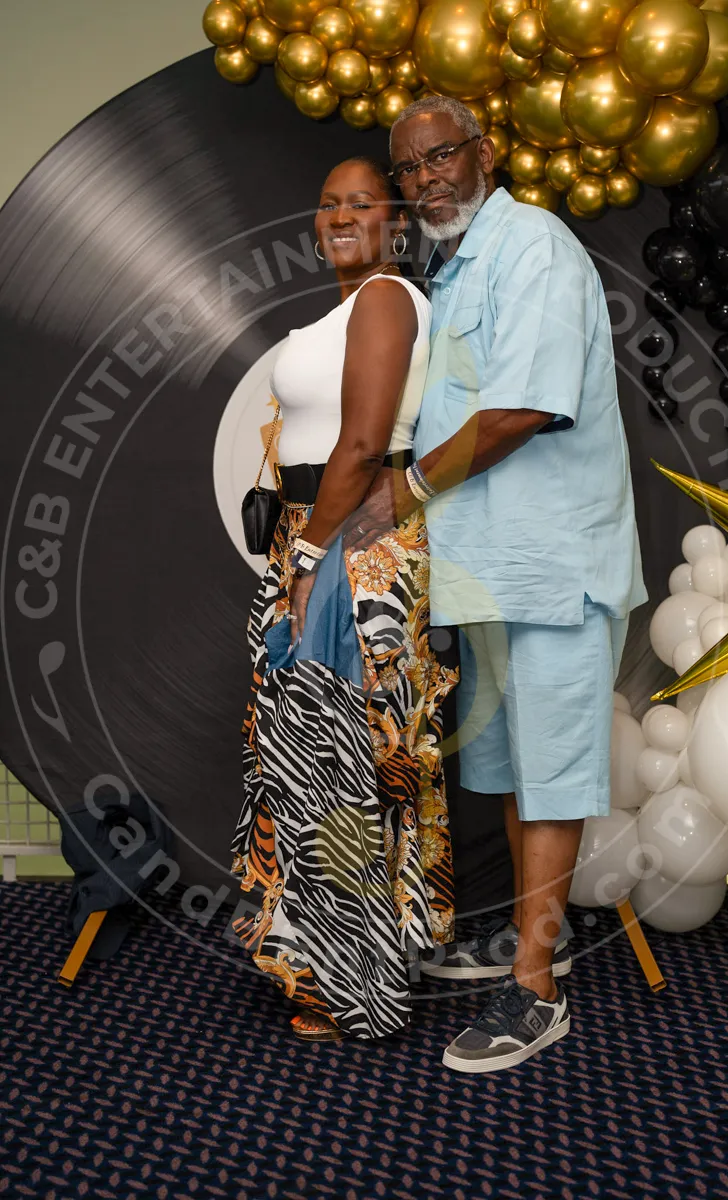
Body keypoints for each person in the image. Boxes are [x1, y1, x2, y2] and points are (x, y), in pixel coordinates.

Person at [347, 97, 647, 1073]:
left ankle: (536, 991)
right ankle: (531, 937)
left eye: (440, 156)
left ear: (484, 152)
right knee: (521, 771)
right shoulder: (458, 264)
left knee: (552, 775)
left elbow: (521, 409)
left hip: (553, 565)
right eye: (409, 168)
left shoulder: (535, 247)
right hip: (492, 571)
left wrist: (405, 489)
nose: (425, 179)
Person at [228, 156, 459, 1042]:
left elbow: (362, 445)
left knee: (338, 764)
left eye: (362, 202)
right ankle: (355, 960)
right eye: (329, 204)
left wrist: (309, 556)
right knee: (326, 758)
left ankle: (350, 985)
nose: (341, 216)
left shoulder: (387, 297)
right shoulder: (350, 306)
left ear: (397, 223)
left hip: (349, 552)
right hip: (320, 536)